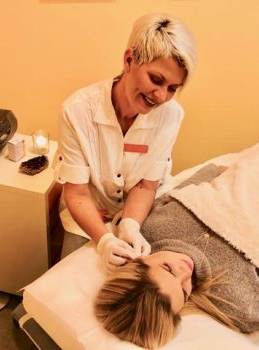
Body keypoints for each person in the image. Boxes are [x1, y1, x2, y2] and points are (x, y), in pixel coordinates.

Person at [94, 164, 259, 349]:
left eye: (168, 269)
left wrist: (224, 171)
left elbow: (185, 191)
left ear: (140, 260)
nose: (185, 271)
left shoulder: (145, 231)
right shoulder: (242, 304)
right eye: (184, 291)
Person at [54, 13, 197, 270]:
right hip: (88, 208)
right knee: (69, 278)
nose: (162, 96)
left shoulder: (171, 116)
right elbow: (77, 192)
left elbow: (145, 186)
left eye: (173, 88)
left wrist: (130, 225)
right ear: (129, 59)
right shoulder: (76, 111)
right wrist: (105, 240)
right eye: (156, 80)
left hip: (140, 208)